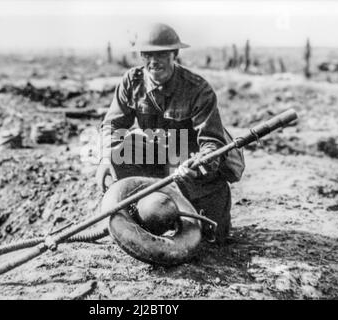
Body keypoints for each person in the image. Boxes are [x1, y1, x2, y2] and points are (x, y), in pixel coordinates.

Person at [96, 23, 244, 243]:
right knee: (122, 151)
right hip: (155, 155)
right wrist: (106, 156)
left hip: (189, 161)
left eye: (162, 54)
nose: (154, 61)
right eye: (147, 54)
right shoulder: (132, 81)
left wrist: (199, 164)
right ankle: (138, 214)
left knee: (212, 239)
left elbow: (212, 142)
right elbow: (112, 125)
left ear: (174, 54)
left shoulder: (197, 89)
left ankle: (189, 211)